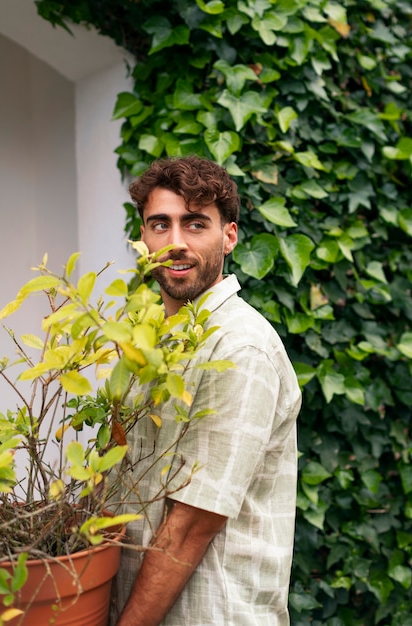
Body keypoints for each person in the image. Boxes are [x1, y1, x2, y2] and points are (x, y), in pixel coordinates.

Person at [111, 155, 301, 626]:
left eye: (195, 224)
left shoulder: (240, 346)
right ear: (143, 238)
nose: (175, 243)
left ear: (229, 236)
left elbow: (193, 523)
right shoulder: (149, 344)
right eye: (160, 224)